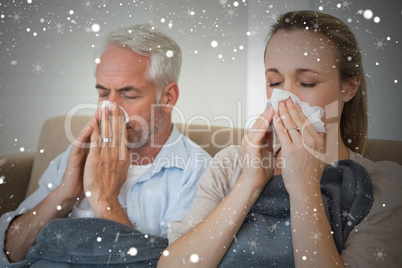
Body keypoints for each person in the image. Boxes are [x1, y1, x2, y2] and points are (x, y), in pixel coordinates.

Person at [158, 11, 402, 267]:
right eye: (274, 82)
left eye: (307, 83)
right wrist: (249, 184)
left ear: (348, 87)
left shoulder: (384, 185)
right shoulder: (231, 163)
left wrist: (304, 190)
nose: (285, 98)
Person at [0, 24, 211, 265]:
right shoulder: (78, 156)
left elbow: (173, 265)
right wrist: (63, 195)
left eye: (128, 94)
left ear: (168, 97)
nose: (109, 108)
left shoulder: (197, 173)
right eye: (102, 94)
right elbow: (9, 253)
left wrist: (105, 201)